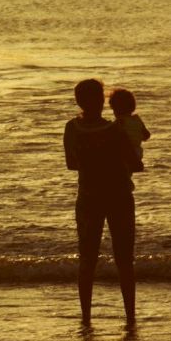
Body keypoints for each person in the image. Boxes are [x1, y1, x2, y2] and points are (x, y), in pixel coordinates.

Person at [64, 79, 140, 326]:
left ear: (78, 101)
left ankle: (86, 318)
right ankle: (130, 317)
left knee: (87, 260)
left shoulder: (71, 128)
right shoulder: (114, 130)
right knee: (124, 261)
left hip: (88, 197)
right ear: (102, 101)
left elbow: (71, 163)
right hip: (118, 196)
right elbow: (134, 162)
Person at [108, 87, 150, 170]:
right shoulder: (137, 119)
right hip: (138, 153)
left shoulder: (119, 122)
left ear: (115, 109)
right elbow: (146, 135)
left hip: (125, 154)